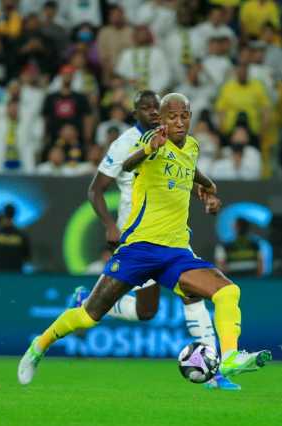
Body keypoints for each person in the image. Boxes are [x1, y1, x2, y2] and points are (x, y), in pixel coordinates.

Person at [19, 93, 267, 387]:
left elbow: (190, 171)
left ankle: (228, 359)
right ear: (161, 120)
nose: (178, 122)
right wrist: (149, 148)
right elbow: (126, 165)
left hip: (175, 252)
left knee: (227, 292)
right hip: (140, 248)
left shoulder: (192, 147)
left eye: (184, 116)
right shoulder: (150, 141)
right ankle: (39, 346)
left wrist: (209, 190)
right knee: (89, 315)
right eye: (171, 117)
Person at [0, 204, 31, 272]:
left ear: (2, 214)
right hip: (15, 274)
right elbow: (26, 257)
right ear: (14, 215)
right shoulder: (21, 235)